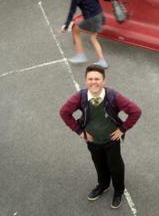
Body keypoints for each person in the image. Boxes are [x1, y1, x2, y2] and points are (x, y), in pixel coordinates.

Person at [59, 65, 141, 209]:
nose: (94, 82)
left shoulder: (113, 96)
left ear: (104, 81)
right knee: (99, 164)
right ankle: (103, 185)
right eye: (90, 79)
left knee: (116, 167)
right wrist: (79, 132)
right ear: (85, 81)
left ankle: (118, 191)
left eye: (97, 79)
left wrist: (122, 129)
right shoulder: (80, 97)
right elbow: (64, 112)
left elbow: (135, 111)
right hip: (92, 140)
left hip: (111, 140)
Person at [59, 0, 117, 68]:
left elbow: (71, 11)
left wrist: (66, 26)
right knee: (86, 34)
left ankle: (85, 56)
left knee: (82, 33)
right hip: (100, 15)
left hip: (91, 18)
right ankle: (96, 59)